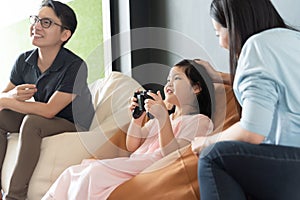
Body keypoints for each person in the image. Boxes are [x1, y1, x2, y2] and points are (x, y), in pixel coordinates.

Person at [41, 59, 215, 200]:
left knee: (92, 174)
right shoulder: (163, 119)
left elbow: (173, 154)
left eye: (176, 78)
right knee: (73, 172)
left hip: (152, 166)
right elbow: (132, 145)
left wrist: (162, 119)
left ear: (196, 88)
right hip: (135, 161)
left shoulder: (200, 121)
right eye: (168, 79)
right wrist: (137, 120)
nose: (168, 83)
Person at [191, 0, 300, 199]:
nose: (220, 44)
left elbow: (252, 132)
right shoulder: (293, 39)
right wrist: (218, 76)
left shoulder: (257, 46)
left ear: (233, 25)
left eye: (218, 33)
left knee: (213, 156)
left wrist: (207, 141)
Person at [0, 0, 94, 199]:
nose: (36, 26)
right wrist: (10, 97)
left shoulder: (75, 66)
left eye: (46, 23)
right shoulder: (24, 60)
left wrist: (6, 101)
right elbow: (3, 96)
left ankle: (15, 196)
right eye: (35, 20)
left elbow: (50, 110)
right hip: (44, 118)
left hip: (73, 122)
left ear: (65, 35)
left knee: (32, 122)